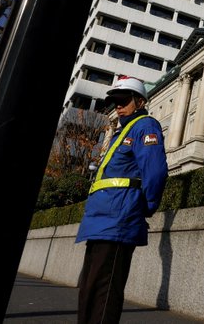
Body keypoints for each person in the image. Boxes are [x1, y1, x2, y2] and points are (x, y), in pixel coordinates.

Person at [75, 75, 168, 324]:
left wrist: (146, 207)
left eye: (123, 99)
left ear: (139, 101)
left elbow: (155, 171)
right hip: (100, 221)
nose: (117, 105)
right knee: (89, 290)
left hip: (118, 220)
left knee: (104, 293)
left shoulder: (145, 126)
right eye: (114, 100)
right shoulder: (120, 132)